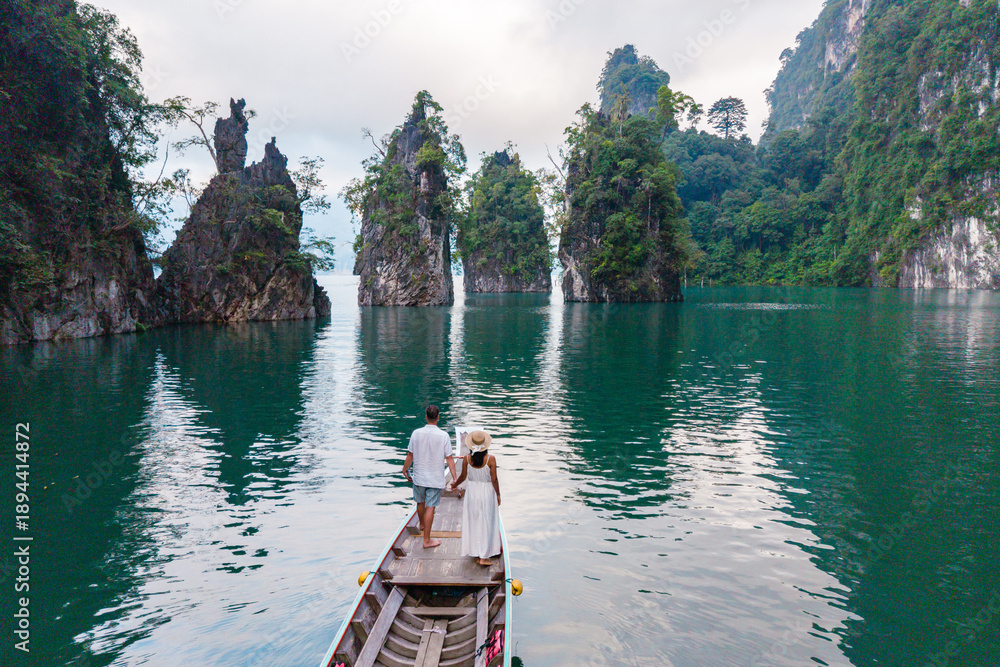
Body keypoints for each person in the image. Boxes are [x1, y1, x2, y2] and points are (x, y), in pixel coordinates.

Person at [403, 405, 457, 549]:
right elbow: (450, 459)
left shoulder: (416, 433)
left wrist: (404, 469)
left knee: (420, 503)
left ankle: (421, 524)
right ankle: (426, 540)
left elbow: (410, 455)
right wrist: (455, 478)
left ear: (426, 417)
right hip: (434, 479)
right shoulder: (443, 435)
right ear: (438, 417)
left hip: (419, 477)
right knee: (430, 507)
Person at [450, 430, 502, 566]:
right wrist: (498, 494)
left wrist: (454, 484)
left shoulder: (467, 459)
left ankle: (476, 552)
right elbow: (494, 479)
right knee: (486, 521)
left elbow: (463, 477)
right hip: (486, 492)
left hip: (472, 492)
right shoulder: (491, 459)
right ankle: (484, 556)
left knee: (474, 521)